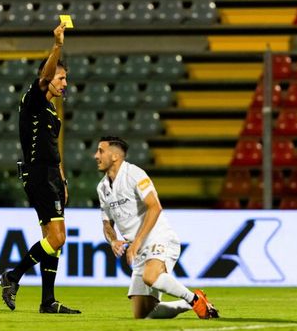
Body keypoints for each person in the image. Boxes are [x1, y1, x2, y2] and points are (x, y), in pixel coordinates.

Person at [0, 22, 80, 314]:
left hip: (50, 175)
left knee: (52, 241)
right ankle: (13, 276)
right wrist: (57, 45)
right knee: (58, 238)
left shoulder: (50, 110)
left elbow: (51, 149)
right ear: (47, 78)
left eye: (65, 79)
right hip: (37, 175)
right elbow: (45, 76)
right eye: (60, 78)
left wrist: (62, 179)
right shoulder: (33, 100)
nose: (64, 83)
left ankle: (48, 301)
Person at [94, 136, 219, 320]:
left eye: (100, 151)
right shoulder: (102, 187)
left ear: (114, 156)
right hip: (139, 249)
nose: (96, 155)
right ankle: (189, 302)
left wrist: (136, 243)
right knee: (143, 314)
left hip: (158, 238)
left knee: (150, 277)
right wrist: (113, 240)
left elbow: (155, 207)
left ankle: (193, 300)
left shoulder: (134, 174)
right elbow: (106, 223)